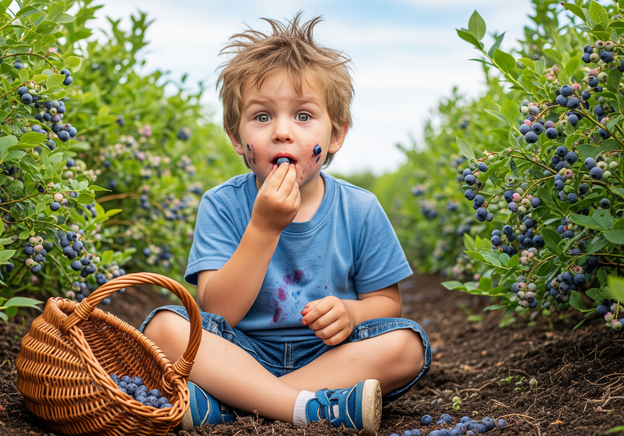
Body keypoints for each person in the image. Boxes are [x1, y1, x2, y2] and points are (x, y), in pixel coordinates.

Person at [140, 13, 430, 436]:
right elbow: (219, 310)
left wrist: (351, 312)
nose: (281, 132)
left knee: (407, 345)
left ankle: (234, 404)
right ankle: (312, 409)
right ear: (236, 137)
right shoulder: (222, 204)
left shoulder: (360, 208)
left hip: (328, 357)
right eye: (261, 117)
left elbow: (387, 304)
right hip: (240, 353)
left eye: (303, 116)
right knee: (164, 326)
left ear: (336, 135)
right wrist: (263, 228)